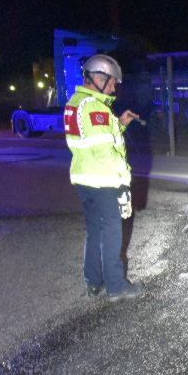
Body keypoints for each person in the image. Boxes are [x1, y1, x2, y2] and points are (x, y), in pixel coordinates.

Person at [64, 54, 143, 302]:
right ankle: (116, 287)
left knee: (95, 231)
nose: (113, 88)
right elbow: (103, 150)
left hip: (84, 179)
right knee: (111, 232)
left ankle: (94, 282)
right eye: (110, 83)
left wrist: (120, 123)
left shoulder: (77, 103)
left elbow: (97, 137)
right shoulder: (94, 107)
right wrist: (123, 182)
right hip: (103, 180)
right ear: (97, 78)